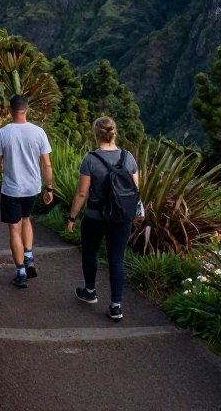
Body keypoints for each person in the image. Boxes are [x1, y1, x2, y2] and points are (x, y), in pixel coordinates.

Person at [66, 116, 139, 321]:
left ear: (96, 134)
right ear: (114, 133)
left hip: (95, 217)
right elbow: (135, 190)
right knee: (117, 260)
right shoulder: (128, 157)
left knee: (90, 252)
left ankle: (90, 291)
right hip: (122, 218)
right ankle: (116, 306)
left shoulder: (91, 159)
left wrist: (72, 217)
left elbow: (82, 193)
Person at [0, 95, 53, 289]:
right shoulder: (38, 132)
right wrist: (49, 188)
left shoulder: (3, 133)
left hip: (12, 188)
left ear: (10, 110)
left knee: (14, 229)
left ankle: (21, 272)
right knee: (26, 218)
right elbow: (47, 163)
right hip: (33, 187)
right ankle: (29, 256)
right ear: (27, 109)